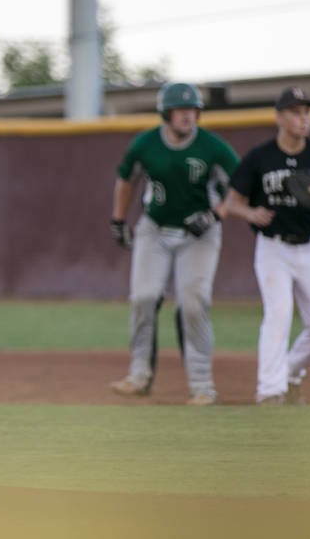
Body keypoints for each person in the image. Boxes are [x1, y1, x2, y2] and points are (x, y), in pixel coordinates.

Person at [223, 86, 310, 405]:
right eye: (296, 112)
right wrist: (251, 212)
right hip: (273, 249)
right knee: (279, 313)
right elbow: (231, 203)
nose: (303, 119)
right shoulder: (261, 157)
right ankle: (270, 391)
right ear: (279, 117)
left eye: (306, 112)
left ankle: (290, 373)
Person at [108, 82, 239, 405]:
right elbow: (126, 180)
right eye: (181, 111)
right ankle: (139, 375)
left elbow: (239, 188)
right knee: (143, 297)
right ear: (166, 113)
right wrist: (118, 219)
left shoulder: (213, 147)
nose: (188, 116)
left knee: (193, 302)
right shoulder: (145, 144)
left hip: (199, 234)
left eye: (192, 110)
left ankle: (202, 386)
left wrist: (216, 214)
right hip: (155, 229)